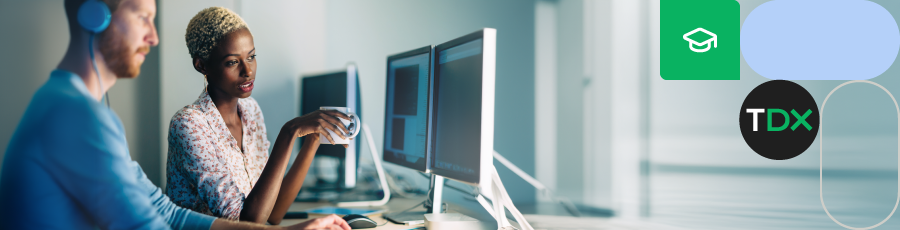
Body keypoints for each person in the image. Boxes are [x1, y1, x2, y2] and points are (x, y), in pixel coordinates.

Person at [0, 0, 349, 229]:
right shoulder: (73, 117)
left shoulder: (80, 110)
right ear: (95, 15)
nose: (153, 37)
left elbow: (166, 213)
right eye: (142, 17)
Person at [165, 7, 351, 225]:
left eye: (251, 57)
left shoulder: (250, 110)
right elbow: (247, 223)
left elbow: (273, 214)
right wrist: (289, 133)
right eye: (233, 62)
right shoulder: (189, 125)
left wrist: (313, 141)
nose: (248, 70)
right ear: (201, 65)